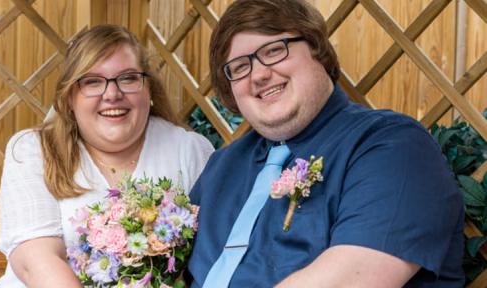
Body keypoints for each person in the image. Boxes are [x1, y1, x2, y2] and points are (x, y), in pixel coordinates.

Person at [186, 0, 464, 287]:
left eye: (273, 51)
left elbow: (349, 280)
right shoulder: (221, 167)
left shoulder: (395, 148)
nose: (258, 75)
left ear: (317, 50)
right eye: (240, 67)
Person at [0, 25, 214, 288]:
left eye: (128, 78)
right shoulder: (34, 151)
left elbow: (213, 253)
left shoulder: (189, 150)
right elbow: (36, 260)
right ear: (70, 96)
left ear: (148, 88)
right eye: (92, 82)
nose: (112, 94)